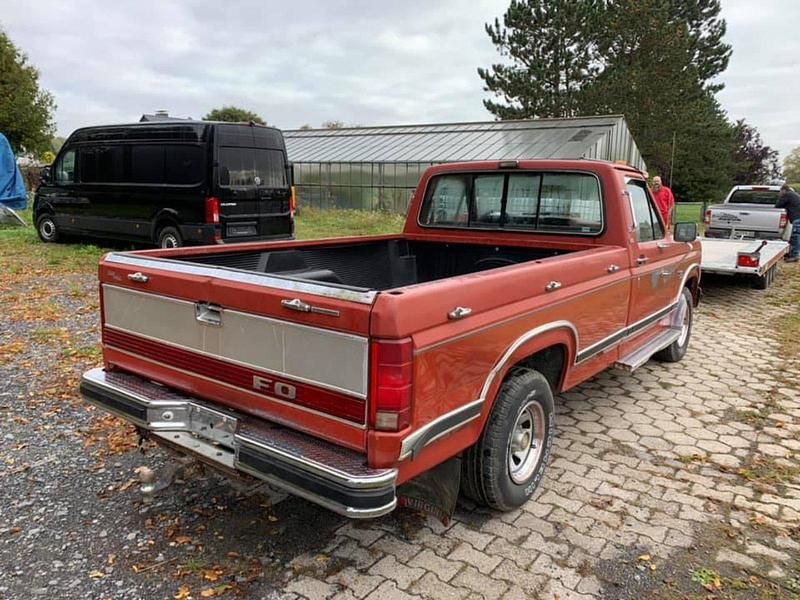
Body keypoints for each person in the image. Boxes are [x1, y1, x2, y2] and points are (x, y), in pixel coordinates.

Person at [775, 183, 800, 262]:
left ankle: (794, 255)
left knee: (795, 237)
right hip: (797, 217)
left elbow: (778, 205)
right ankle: (792, 254)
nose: (780, 193)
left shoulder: (787, 195)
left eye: (780, 192)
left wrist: (780, 199)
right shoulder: (794, 194)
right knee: (795, 237)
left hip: (797, 218)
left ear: (784, 190)